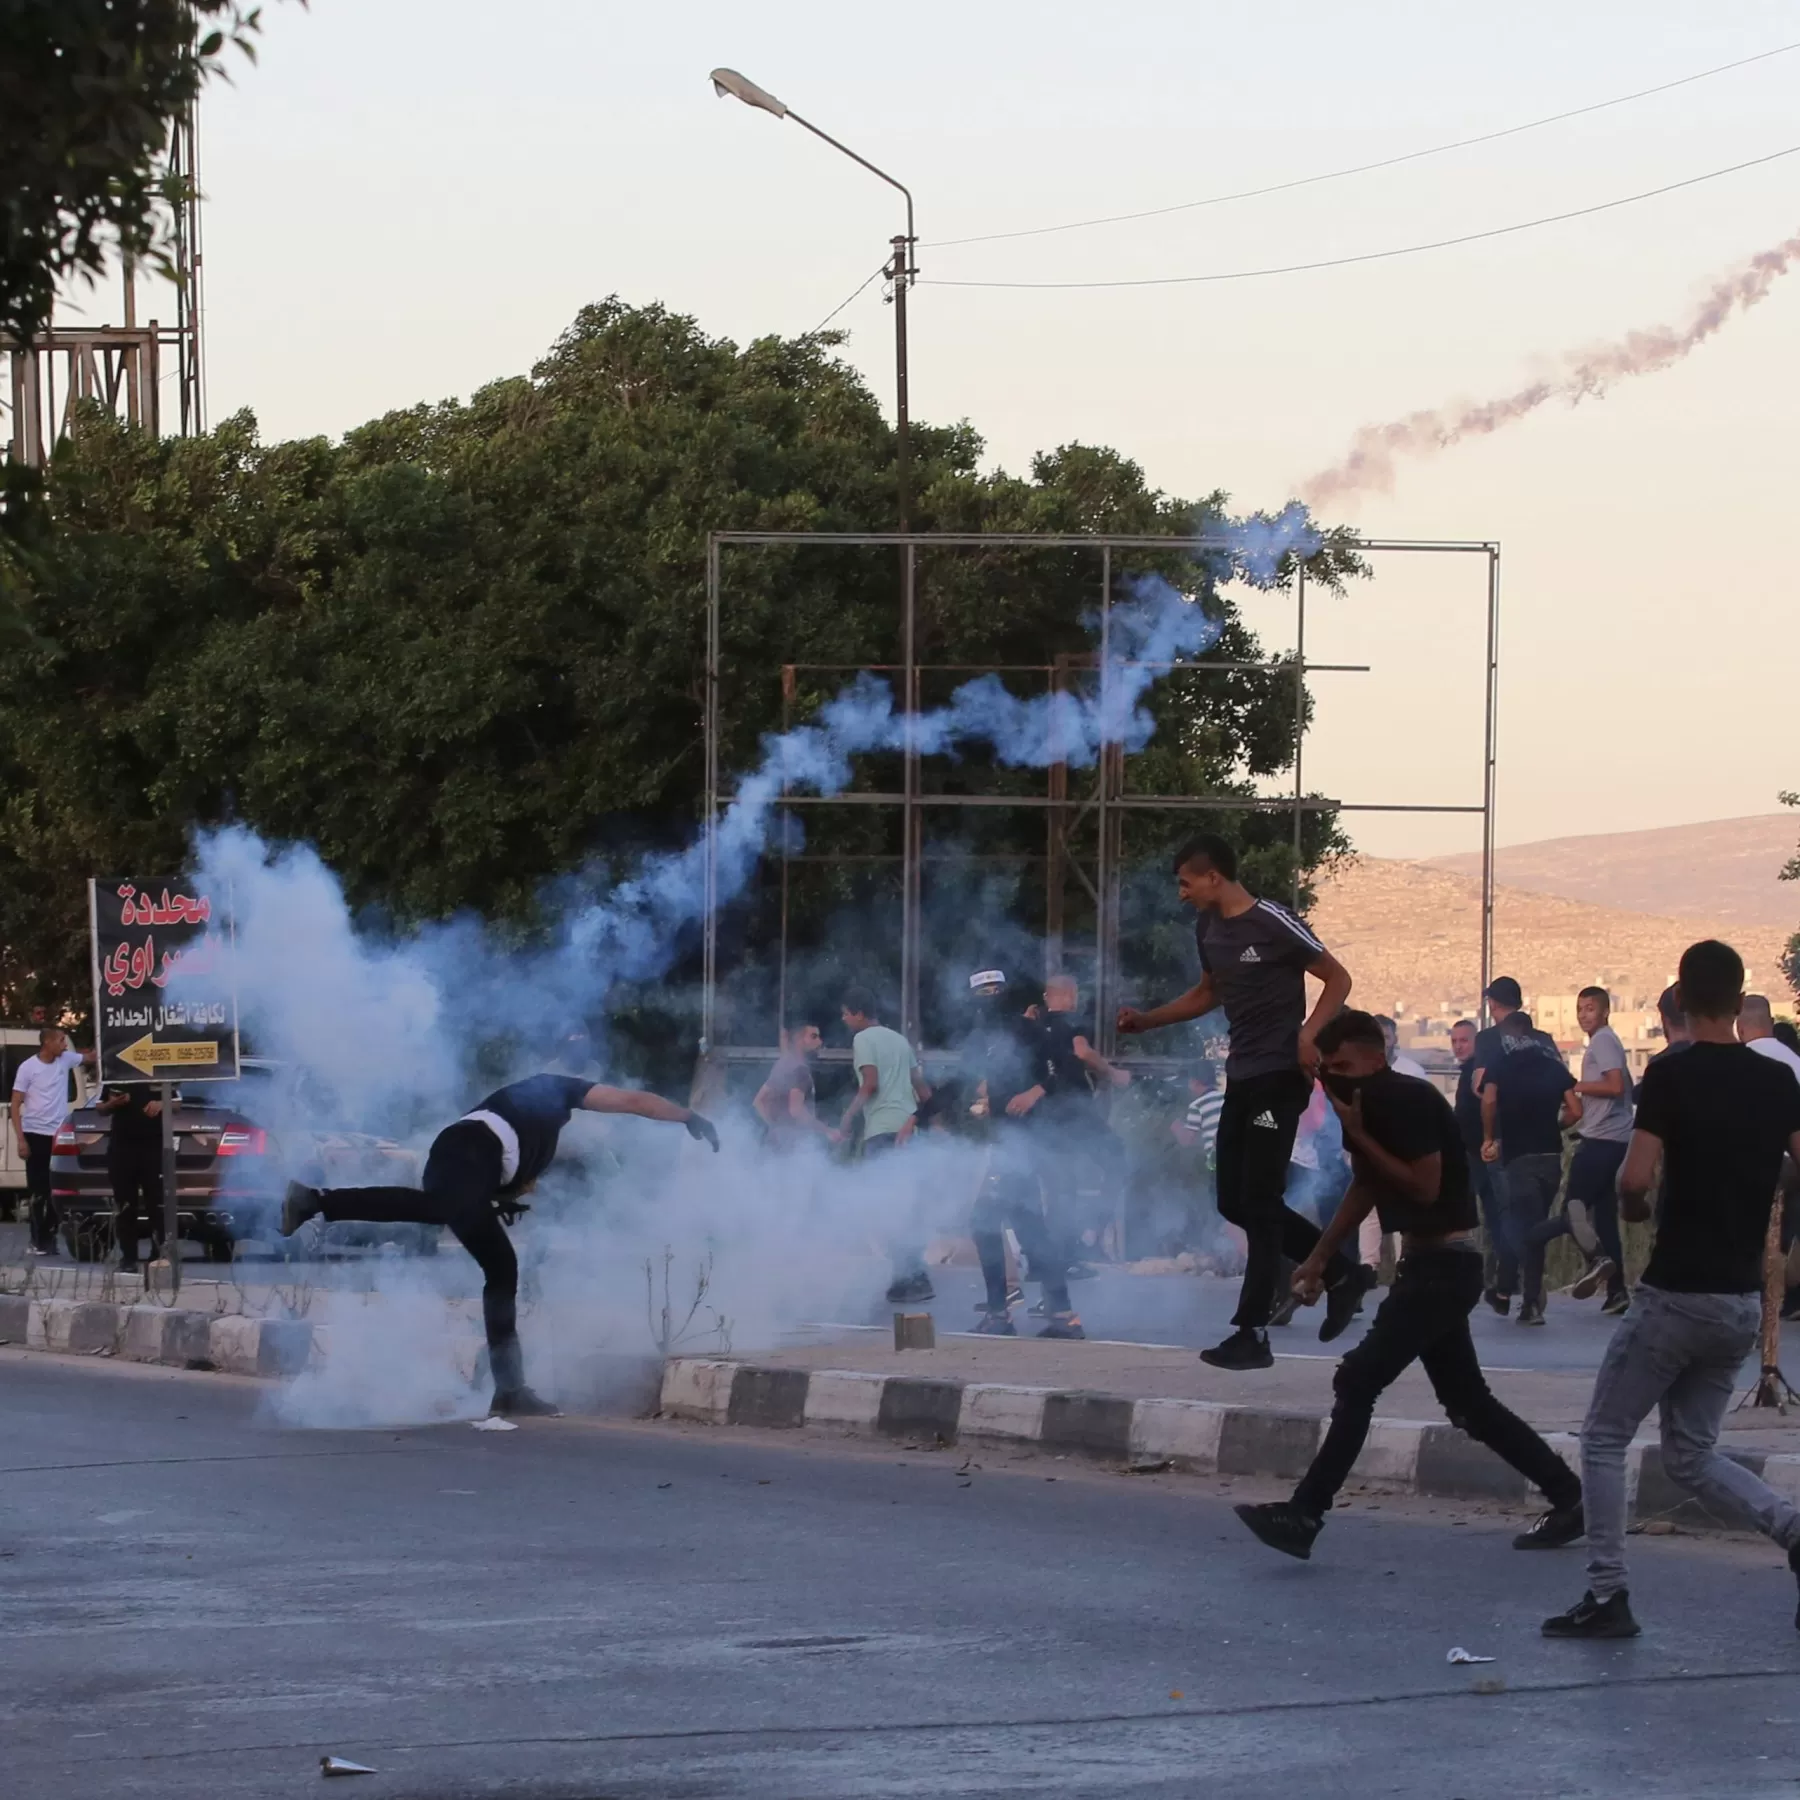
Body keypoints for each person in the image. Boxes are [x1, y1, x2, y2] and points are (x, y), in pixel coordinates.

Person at [1233, 1010, 1583, 1561]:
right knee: (1468, 1403)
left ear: (1376, 1056)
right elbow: (1367, 1184)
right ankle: (1569, 1497)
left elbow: (1422, 1186)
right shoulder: (1371, 1104)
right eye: (1327, 1069)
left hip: (1444, 1267)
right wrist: (1320, 1258)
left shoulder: (1403, 1098)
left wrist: (1356, 1135)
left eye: (1343, 1065)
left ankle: (1305, 1514)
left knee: (1357, 1380)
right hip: (1429, 1266)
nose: (1333, 1077)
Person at [1545, 939, 1800, 1640]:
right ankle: (1792, 1530)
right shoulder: (1780, 1083)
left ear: (1683, 999)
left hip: (1676, 1293)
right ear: (1739, 996)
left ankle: (1607, 1593)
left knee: (1603, 1437)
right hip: (1739, 1301)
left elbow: (1632, 1179)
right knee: (1688, 1453)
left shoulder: (1671, 1074)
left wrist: (1633, 1212)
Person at [282, 1073, 720, 1417]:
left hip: (456, 1157)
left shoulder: (532, 1128)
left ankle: (510, 1390)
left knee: (500, 1267)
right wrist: (686, 1117)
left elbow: (506, 1173)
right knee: (440, 1212)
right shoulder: (557, 1089)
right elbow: (632, 1102)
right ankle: (316, 1200)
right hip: (469, 1153)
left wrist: (494, 1198)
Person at [1118, 835, 1371, 1370]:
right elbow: (1208, 993)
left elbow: (1338, 978)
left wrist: (1309, 1035)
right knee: (1234, 1202)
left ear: (1214, 877)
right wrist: (1147, 1020)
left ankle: (1252, 1332)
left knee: (1259, 1201)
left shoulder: (1273, 921)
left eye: (1187, 882)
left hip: (1281, 1075)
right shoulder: (1208, 928)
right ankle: (1346, 1274)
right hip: (1241, 1075)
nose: (1182, 894)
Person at [959, 967, 1082, 1339]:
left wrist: (1034, 1092)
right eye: (983, 993)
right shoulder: (980, 1039)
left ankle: (1000, 1313)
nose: (990, 999)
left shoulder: (1028, 1029)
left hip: (1025, 1141)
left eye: (995, 991)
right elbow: (970, 1083)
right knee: (1030, 1228)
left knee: (983, 1221)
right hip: (1007, 1141)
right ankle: (1063, 1315)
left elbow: (1065, 1065)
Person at [1537, 986, 1634, 1315]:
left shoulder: (1604, 1041)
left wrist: (1573, 1085)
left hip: (1602, 1140)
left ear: (1605, 1011)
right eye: (1579, 1008)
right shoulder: (1603, 1041)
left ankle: (1597, 1260)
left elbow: (1615, 1085)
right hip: (1613, 1139)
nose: (1583, 1014)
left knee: (1573, 1209)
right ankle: (1618, 1291)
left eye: (1590, 1008)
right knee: (1604, 1219)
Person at [1480, 1012, 1580, 1324]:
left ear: (1507, 1035)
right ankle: (1528, 1305)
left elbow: (1488, 1101)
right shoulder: (1551, 1064)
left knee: (1523, 1228)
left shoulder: (1501, 1063)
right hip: (1551, 1156)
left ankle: (1566, 1223)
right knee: (1532, 1230)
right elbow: (1575, 1110)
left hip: (1518, 1157)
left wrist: (1488, 1137)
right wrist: (1554, 1126)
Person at [1033, 972, 1132, 1282]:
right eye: (1073, 994)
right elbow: (1082, 1051)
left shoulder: (1034, 1028)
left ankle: (1056, 1258)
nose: (1075, 1000)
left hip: (1045, 1115)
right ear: (1067, 996)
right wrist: (1113, 1073)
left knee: (1059, 1186)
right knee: (1117, 1161)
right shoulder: (1070, 1025)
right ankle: (1089, 1237)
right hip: (1074, 1111)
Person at [838, 988, 934, 1302]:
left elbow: (870, 1084)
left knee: (887, 1207)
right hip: (909, 1129)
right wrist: (925, 1120)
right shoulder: (900, 1040)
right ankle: (906, 1277)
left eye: (846, 1013)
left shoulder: (863, 1040)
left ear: (858, 1014)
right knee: (904, 1206)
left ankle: (914, 1277)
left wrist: (848, 1117)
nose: (844, 1019)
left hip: (882, 1129)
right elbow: (923, 1090)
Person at [11, 1027, 96, 1256]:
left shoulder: (65, 1059)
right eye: (60, 1041)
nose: (65, 1045)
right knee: (38, 1191)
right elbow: (15, 1105)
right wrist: (21, 1140)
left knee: (56, 1189)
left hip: (58, 1136)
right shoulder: (28, 1068)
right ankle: (39, 1241)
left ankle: (49, 1238)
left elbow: (90, 1057)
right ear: (47, 1043)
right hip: (34, 1134)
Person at [97, 1083, 166, 1273]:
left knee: (156, 1203)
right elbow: (100, 1108)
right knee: (125, 1205)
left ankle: (158, 1255)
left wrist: (162, 1103)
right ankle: (128, 1258)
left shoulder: (157, 1071)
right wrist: (113, 1104)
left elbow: (177, 1103)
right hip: (121, 1148)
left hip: (152, 1147)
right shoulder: (115, 1074)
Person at [753, 1022, 838, 1153]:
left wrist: (775, 1127)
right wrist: (827, 1130)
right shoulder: (800, 1070)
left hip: (775, 1141)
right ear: (799, 1039)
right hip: (793, 1144)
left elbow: (758, 1101)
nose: (819, 1042)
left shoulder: (783, 1065)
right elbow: (796, 1110)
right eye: (813, 1037)